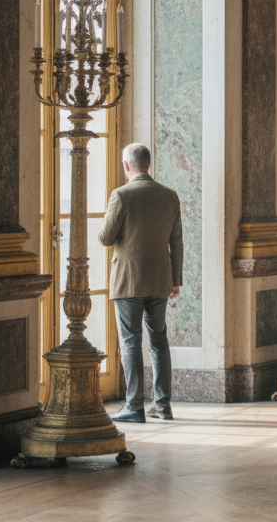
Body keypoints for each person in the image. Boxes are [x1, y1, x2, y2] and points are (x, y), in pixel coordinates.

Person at [98, 143, 183, 423]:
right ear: (149, 163)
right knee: (159, 341)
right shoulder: (170, 196)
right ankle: (163, 405)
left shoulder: (121, 195)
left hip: (128, 280)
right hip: (161, 279)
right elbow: (177, 242)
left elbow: (105, 238)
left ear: (126, 166)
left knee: (131, 341)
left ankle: (134, 406)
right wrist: (176, 279)